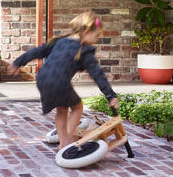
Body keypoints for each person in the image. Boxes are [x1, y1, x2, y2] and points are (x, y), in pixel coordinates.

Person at [7, 11, 118, 149]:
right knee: (77, 107)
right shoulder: (85, 50)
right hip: (60, 83)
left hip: (42, 79)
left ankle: (63, 143)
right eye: (96, 36)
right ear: (88, 31)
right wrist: (110, 96)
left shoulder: (58, 41)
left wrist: (18, 62)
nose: (96, 40)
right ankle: (68, 140)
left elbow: (36, 52)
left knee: (62, 109)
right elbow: (98, 75)